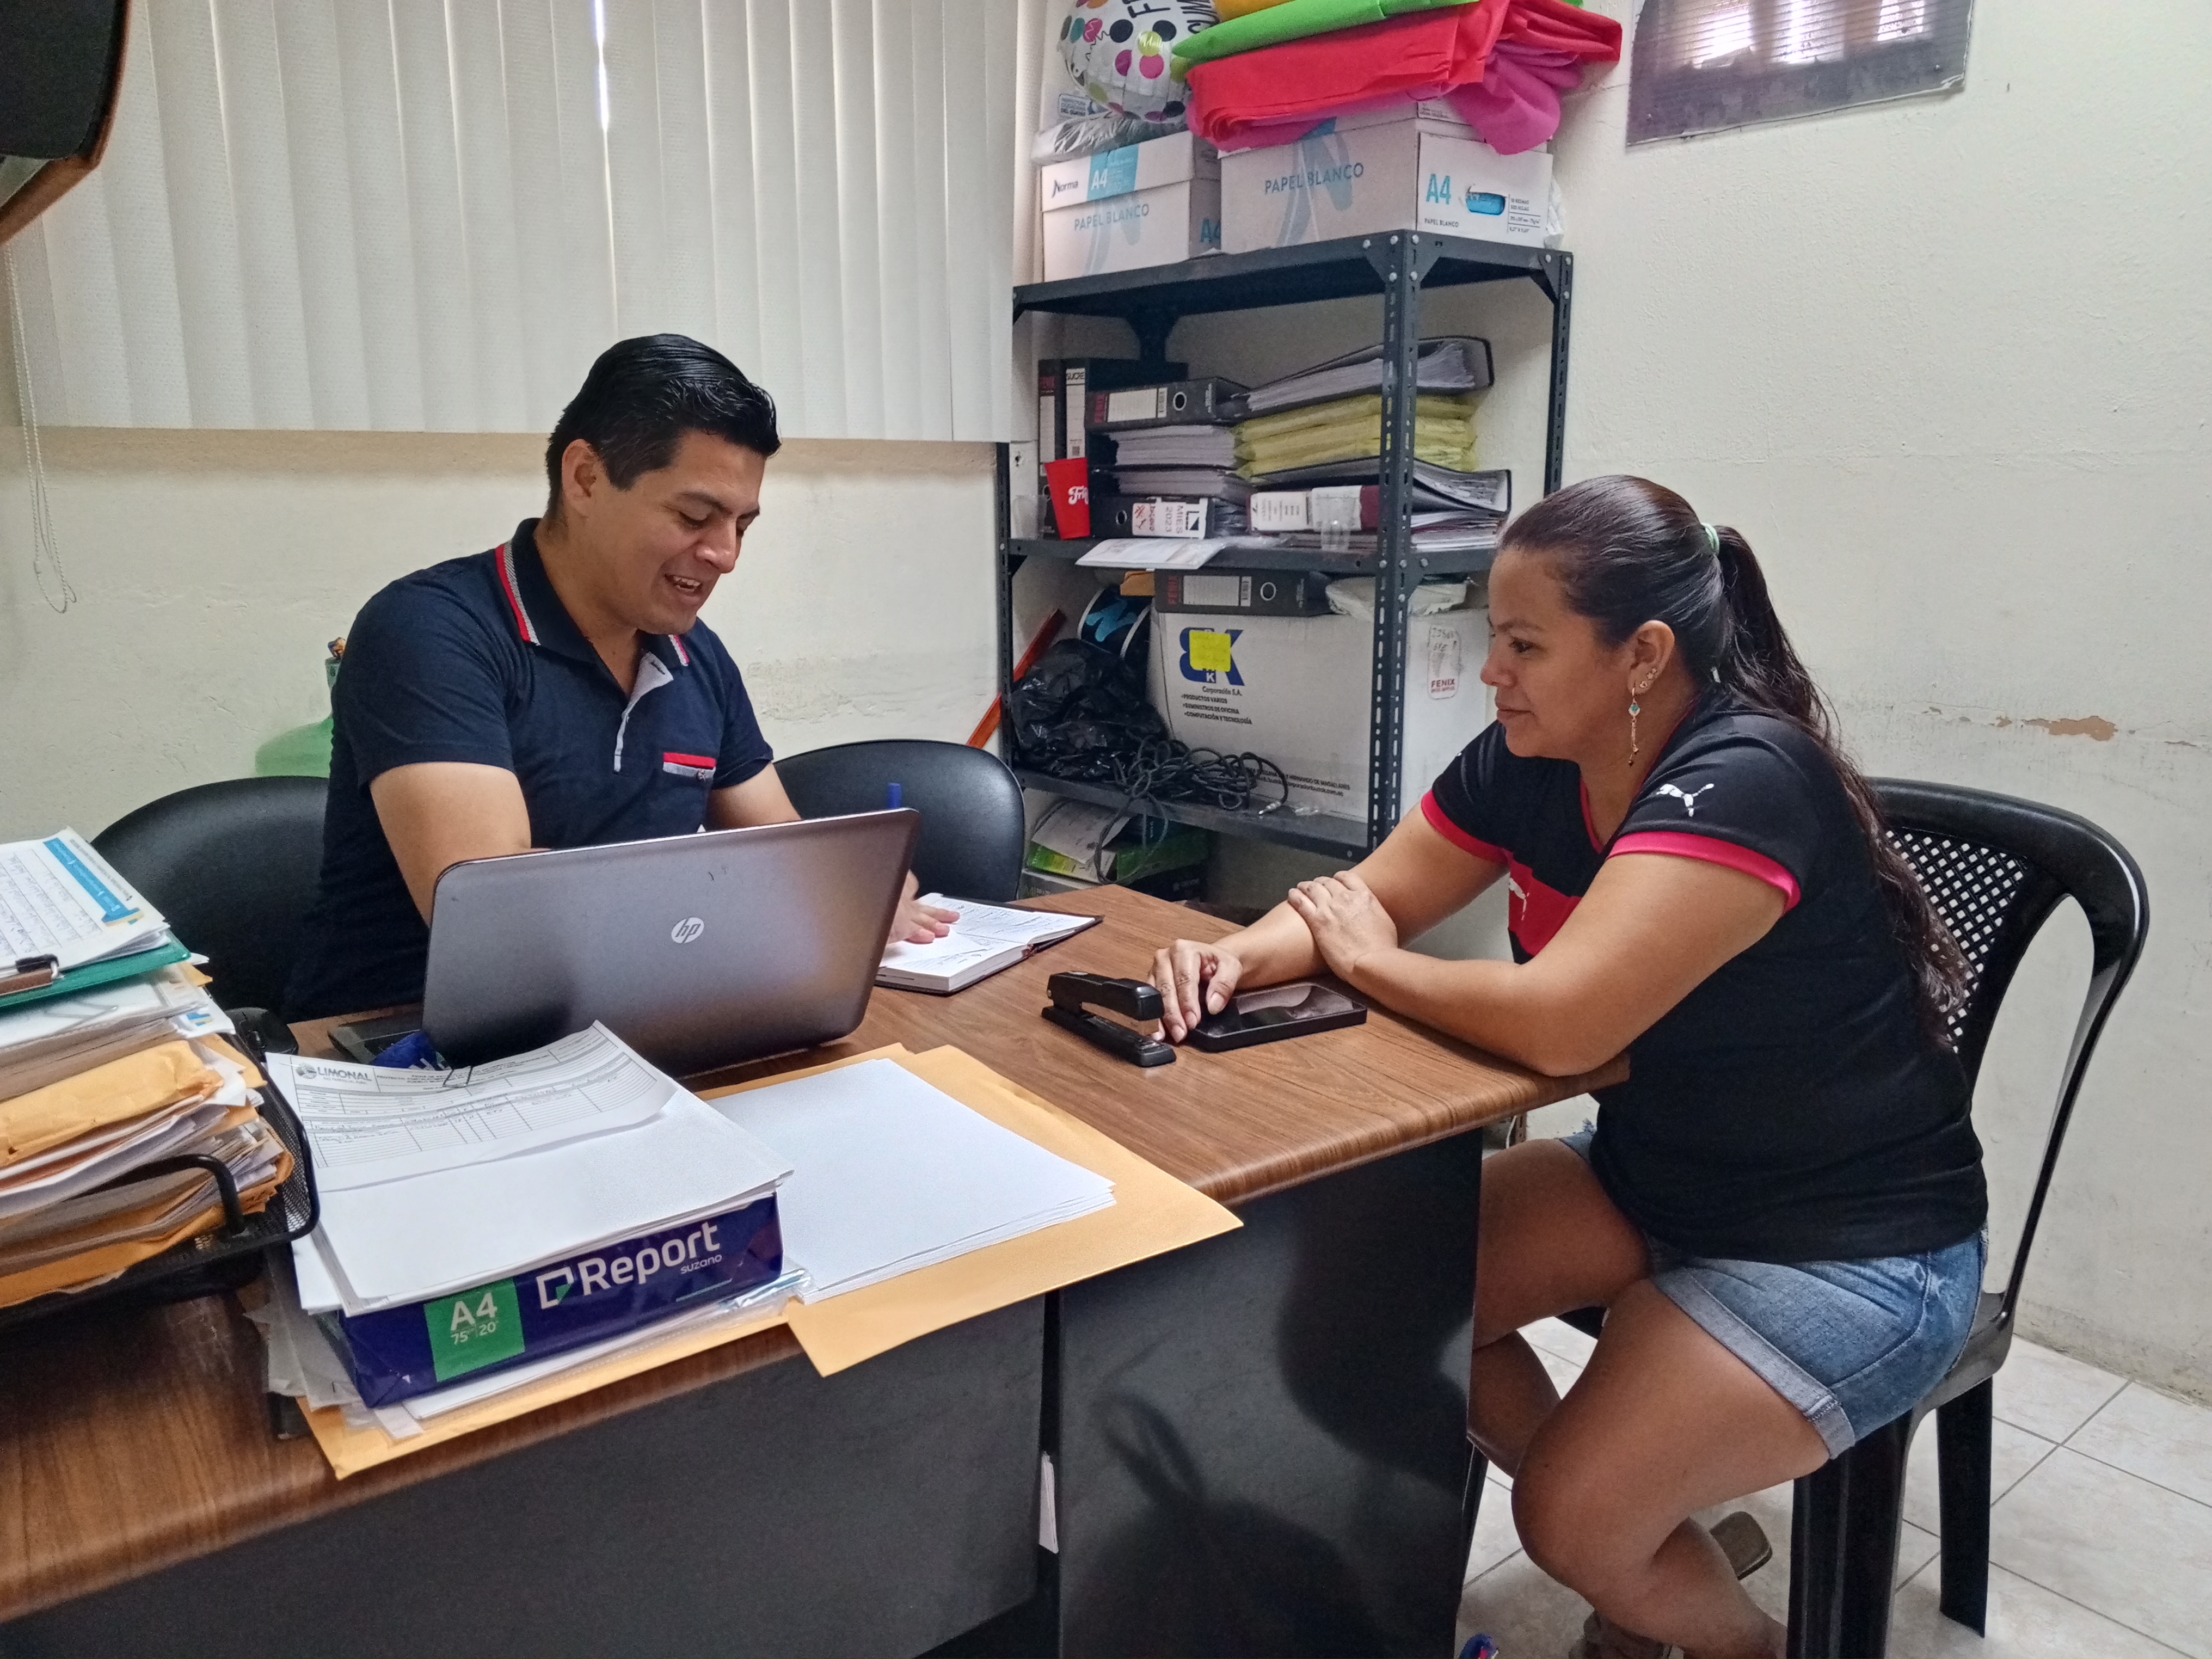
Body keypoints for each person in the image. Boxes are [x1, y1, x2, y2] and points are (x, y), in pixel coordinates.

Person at [1147, 476, 1987, 1659]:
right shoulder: (1531, 756)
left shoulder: (1743, 779)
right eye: (1495, 636)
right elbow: (1366, 898)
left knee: (1565, 1519)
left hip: (1849, 1246)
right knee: (1358, 1313)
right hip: (1658, 1176)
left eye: (1525, 645)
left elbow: (1561, 1029)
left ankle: (1733, 1637)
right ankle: (1637, 1549)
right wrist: (1230, 961)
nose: (1492, 671)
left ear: (1640, 655)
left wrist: (1368, 962)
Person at [287, 334, 954, 1020]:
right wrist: (759, 901)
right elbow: (495, 920)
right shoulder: (430, 631)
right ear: (585, 478)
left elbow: (786, 857)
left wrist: (855, 892)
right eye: (694, 517)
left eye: (742, 525)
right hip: (410, 1036)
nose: (725, 555)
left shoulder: (696, 657)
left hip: (638, 1014)